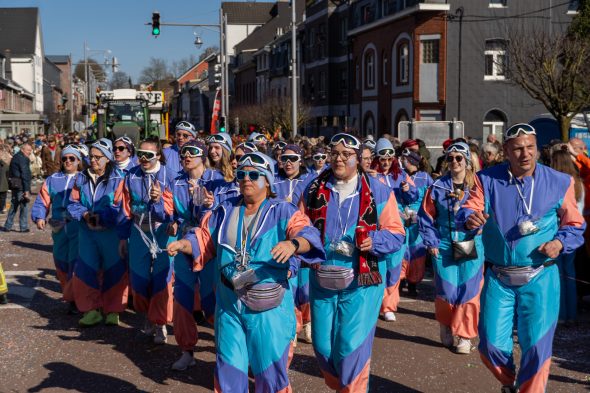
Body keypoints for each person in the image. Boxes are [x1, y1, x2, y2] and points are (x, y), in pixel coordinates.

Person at [167, 152, 325, 392]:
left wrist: (293, 244)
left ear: (268, 181)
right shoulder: (224, 210)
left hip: (268, 307)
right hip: (230, 304)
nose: (246, 179)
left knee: (270, 375)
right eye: (241, 174)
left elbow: (307, 234)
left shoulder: (283, 210)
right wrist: (183, 245)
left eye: (254, 175)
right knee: (228, 370)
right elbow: (203, 237)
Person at [457, 124, 586, 393]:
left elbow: (574, 224)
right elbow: (468, 208)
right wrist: (470, 218)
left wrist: (560, 242)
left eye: (530, 147)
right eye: (517, 148)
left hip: (541, 275)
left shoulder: (559, 182)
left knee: (537, 348)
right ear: (506, 151)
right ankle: (509, 382)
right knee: (490, 344)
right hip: (499, 276)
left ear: (537, 149)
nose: (525, 154)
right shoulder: (486, 179)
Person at [299, 133, 406, 392]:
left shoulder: (378, 190)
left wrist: (374, 240)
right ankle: (344, 386)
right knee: (324, 349)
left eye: (346, 155)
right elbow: (299, 224)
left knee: (350, 347)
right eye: (334, 153)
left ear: (358, 159)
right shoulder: (314, 189)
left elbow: (397, 233)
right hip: (322, 278)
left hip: (362, 281)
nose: (339, 159)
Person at [417, 142, 484, 354]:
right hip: (444, 244)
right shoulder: (436, 187)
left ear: (467, 161)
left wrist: (483, 226)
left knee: (469, 292)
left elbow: (489, 211)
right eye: (450, 158)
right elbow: (426, 216)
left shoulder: (478, 186)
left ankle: (464, 335)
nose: (454, 162)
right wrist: (431, 241)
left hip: (470, 242)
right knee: (447, 290)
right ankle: (446, 324)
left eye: (459, 158)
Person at [117, 138, 175, 344]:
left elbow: (172, 212)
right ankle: (148, 315)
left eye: (149, 155)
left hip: (163, 232)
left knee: (161, 279)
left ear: (158, 156)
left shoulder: (170, 176)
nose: (143, 158)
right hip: (138, 231)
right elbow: (124, 208)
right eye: (140, 154)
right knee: (139, 279)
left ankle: (159, 323)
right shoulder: (131, 176)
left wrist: (159, 201)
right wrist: (123, 237)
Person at [68, 138, 128, 327]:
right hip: (87, 232)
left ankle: (113, 310)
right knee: (86, 269)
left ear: (108, 158)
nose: (93, 160)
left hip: (110, 232)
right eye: (91, 157)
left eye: (97, 157)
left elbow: (120, 206)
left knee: (114, 269)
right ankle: (91, 310)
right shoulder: (81, 177)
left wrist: (101, 217)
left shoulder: (119, 178)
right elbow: (72, 203)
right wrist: (85, 214)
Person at [168, 140, 216, 370]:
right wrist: (160, 206)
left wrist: (211, 204)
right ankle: (186, 350)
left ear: (203, 156)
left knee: (213, 301)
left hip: (209, 250)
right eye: (184, 152)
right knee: (182, 299)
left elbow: (225, 211)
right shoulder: (176, 182)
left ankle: (227, 351)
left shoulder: (216, 180)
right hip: (183, 246)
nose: (187, 155)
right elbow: (168, 212)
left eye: (193, 152)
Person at [31, 145, 82, 313]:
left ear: (79, 161)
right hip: (58, 227)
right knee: (61, 263)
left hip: (77, 226)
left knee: (76, 263)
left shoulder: (84, 179)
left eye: (72, 158)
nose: (67, 161)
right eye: (65, 158)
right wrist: (39, 216)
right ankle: (69, 295)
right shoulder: (53, 179)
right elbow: (42, 199)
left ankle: (74, 300)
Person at [372, 138, 418, 322]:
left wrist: (407, 190)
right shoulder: (370, 176)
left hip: (397, 229)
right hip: (376, 229)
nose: (386, 162)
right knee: (378, 267)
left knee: (394, 268)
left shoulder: (401, 176)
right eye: (382, 157)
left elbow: (413, 196)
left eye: (389, 158)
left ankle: (389, 305)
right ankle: (378, 303)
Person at [550, 149, 583, 324]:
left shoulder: (557, 183)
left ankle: (561, 314)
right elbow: (580, 209)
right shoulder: (578, 183)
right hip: (575, 232)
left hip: (558, 231)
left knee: (559, 274)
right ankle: (572, 313)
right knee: (570, 272)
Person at [400, 150, 434, 296]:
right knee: (402, 250)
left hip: (418, 221)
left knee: (417, 252)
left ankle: (414, 283)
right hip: (402, 219)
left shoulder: (425, 177)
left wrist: (426, 216)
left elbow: (431, 198)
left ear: (411, 161)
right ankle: (400, 280)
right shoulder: (400, 175)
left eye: (405, 159)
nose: (402, 161)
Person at [2, 142, 33, 232]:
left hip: (16, 184)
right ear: (22, 150)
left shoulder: (16, 156)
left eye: (30, 150)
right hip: (21, 185)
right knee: (24, 206)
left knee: (14, 205)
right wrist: (26, 190)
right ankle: (23, 227)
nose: (30, 152)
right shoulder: (22, 158)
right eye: (28, 150)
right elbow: (25, 174)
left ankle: (8, 226)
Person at [0, 146, 11, 214]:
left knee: (3, 197)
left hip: (3, 183)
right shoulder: (4, 165)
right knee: (3, 197)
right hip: (3, 184)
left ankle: (2, 207)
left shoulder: (4, 164)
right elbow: (7, 169)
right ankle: (2, 208)